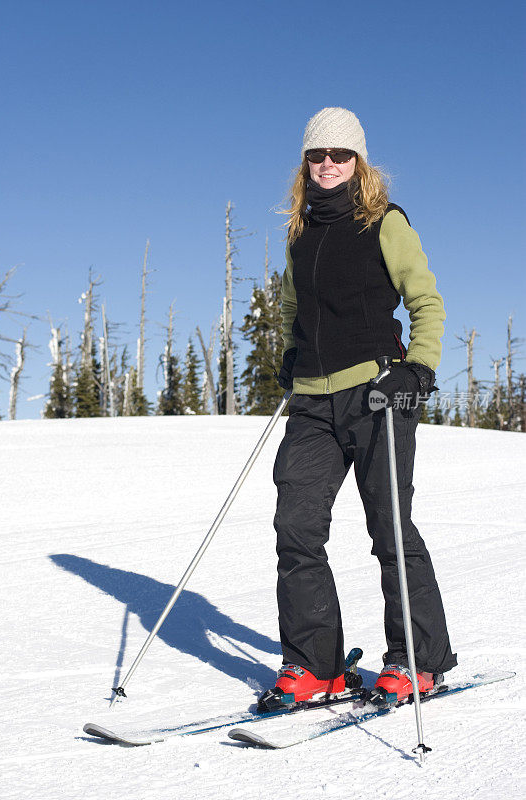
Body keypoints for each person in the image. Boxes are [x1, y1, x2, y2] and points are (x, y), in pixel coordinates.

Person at [260, 106, 456, 710]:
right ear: (305, 163)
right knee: (295, 528)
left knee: (389, 528)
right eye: (316, 155)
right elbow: (294, 311)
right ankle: (315, 665)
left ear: (359, 162)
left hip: (377, 393)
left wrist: (417, 369)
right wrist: (292, 358)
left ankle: (417, 660)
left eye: (339, 155)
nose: (327, 165)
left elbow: (426, 300)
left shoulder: (385, 223)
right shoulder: (300, 233)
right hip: (313, 402)